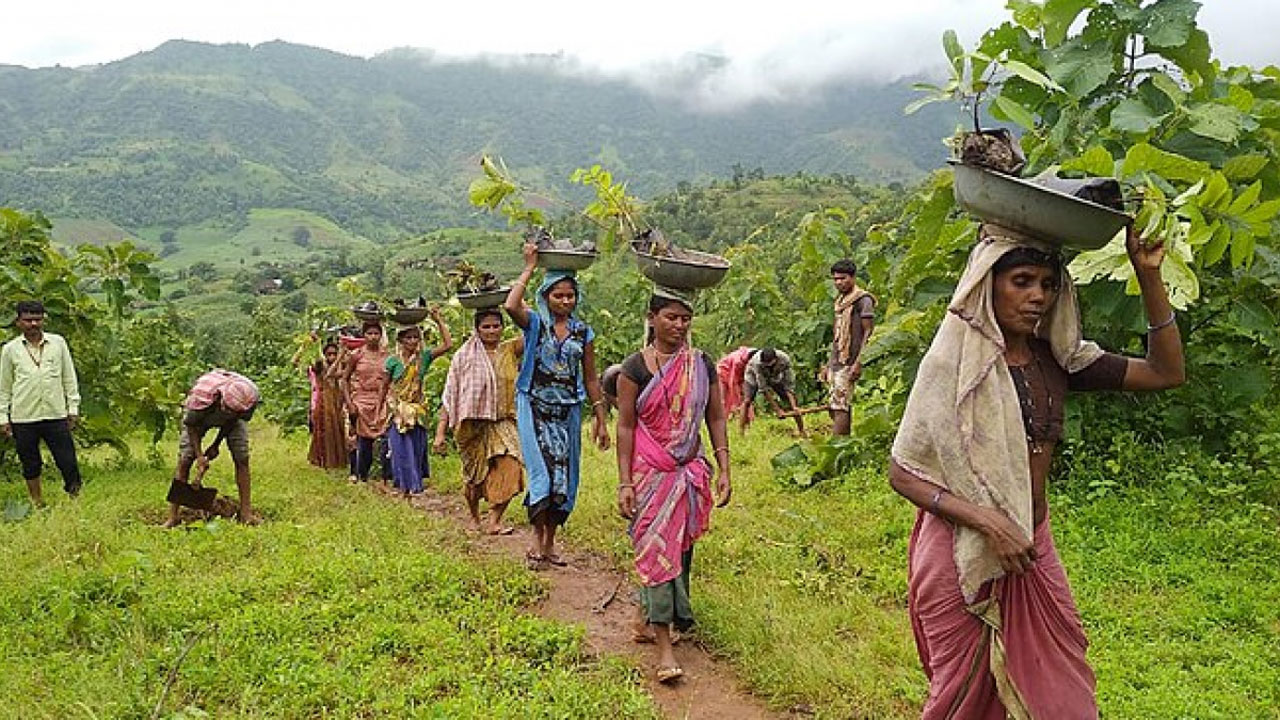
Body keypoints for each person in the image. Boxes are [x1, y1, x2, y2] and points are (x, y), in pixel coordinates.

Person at [887, 225, 1184, 718]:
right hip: (960, 550)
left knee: (1061, 692)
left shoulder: (1058, 361)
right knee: (962, 697)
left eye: (1047, 284)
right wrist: (988, 522)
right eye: (1021, 280)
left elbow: (1165, 372)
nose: (1037, 296)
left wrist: (1148, 274)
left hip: (1030, 545)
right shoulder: (953, 365)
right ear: (988, 284)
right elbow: (903, 472)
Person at [615, 291, 732, 684]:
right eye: (671, 318)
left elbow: (715, 417)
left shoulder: (701, 364)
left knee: (680, 553)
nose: (679, 326)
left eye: (685, 318)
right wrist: (624, 482)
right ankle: (665, 649)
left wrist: (725, 468)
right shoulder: (634, 368)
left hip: (688, 473)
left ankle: (648, 615)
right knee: (657, 554)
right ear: (652, 318)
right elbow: (626, 426)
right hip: (651, 475)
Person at [504, 242, 610, 569]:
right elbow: (510, 305)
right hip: (534, 407)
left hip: (567, 412)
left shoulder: (583, 333)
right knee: (542, 476)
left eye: (570, 296)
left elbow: (591, 378)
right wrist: (529, 266)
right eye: (558, 295)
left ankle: (551, 543)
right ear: (546, 296)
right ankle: (536, 541)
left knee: (563, 479)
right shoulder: (536, 324)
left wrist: (601, 419)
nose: (565, 301)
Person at [435, 308, 525, 534]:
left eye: (496, 325)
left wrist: (518, 301)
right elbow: (451, 395)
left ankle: (494, 520)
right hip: (471, 426)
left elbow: (536, 330)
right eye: (486, 326)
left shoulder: (510, 349)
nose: (492, 330)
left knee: (512, 466)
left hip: (503, 421)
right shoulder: (464, 357)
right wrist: (439, 433)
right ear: (477, 329)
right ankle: (474, 517)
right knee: (474, 477)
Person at [0, 300, 83, 506]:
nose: (33, 324)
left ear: (44, 320)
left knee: (67, 460)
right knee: (30, 462)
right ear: (19, 322)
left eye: (37, 319)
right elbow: (5, 387)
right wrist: (3, 417)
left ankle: (75, 499)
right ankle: (37, 500)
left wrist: (72, 408)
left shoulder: (58, 343)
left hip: (55, 414)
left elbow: (68, 377)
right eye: (28, 320)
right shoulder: (10, 350)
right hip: (24, 415)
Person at [166, 369, 262, 527]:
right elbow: (191, 427)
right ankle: (173, 517)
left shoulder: (249, 398)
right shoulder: (201, 399)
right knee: (185, 460)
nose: (230, 414)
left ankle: (246, 514)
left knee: (242, 458)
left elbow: (234, 420)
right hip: (199, 417)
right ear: (220, 399)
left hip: (233, 416)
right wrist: (199, 456)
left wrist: (216, 445)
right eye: (228, 410)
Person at [382, 310, 451, 498]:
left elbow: (447, 345)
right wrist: (381, 411)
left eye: (415, 337)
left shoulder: (424, 358)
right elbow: (384, 386)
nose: (413, 341)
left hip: (417, 408)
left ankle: (414, 483)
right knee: (400, 448)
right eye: (409, 338)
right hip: (398, 410)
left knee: (417, 447)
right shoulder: (392, 361)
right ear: (401, 340)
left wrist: (439, 320)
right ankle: (404, 485)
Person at [822, 259, 875, 436]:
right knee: (837, 406)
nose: (838, 282)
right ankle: (845, 443)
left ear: (852, 277)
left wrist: (859, 362)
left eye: (842, 278)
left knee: (839, 407)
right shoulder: (840, 302)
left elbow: (868, 331)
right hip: (838, 360)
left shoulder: (863, 300)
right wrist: (829, 364)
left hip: (849, 360)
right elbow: (837, 336)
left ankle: (837, 447)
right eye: (835, 279)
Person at [343, 320, 391, 483]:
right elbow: (344, 379)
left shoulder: (387, 355)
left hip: (382, 400)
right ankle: (362, 475)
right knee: (364, 441)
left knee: (386, 439)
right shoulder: (356, 355)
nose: (373, 337)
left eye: (376, 333)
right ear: (364, 335)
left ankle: (387, 477)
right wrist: (349, 403)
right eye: (369, 333)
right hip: (361, 401)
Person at [740, 347, 805, 436]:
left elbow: (789, 385)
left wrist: (794, 407)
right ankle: (741, 432)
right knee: (747, 401)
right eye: (766, 365)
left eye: (770, 365)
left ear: (776, 360)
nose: (768, 366)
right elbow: (764, 389)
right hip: (753, 377)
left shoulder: (785, 359)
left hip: (775, 377)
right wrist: (777, 410)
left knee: (790, 401)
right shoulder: (757, 363)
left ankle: (802, 430)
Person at [305, 341, 349, 469]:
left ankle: (339, 460)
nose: (332, 357)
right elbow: (329, 373)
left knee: (338, 429)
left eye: (334, 354)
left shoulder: (340, 366)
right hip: (324, 403)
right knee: (326, 429)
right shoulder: (320, 367)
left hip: (336, 402)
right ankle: (323, 459)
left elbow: (342, 374)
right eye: (329, 354)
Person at [714, 346, 753, 420]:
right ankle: (722, 420)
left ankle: (747, 418)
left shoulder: (755, 358)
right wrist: (736, 402)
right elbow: (732, 383)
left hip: (739, 378)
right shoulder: (738, 361)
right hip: (723, 374)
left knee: (746, 398)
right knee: (723, 399)